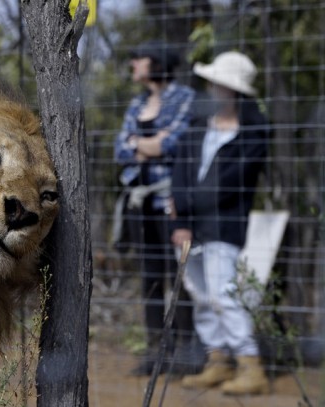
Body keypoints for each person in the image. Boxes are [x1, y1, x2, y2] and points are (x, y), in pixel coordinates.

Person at [170, 51, 270, 395]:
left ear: (234, 90)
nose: (212, 88)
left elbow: (227, 185)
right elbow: (180, 173)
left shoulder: (255, 134)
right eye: (212, 82)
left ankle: (250, 363)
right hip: (186, 226)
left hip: (224, 227)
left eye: (219, 83)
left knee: (223, 295)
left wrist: (183, 208)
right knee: (199, 294)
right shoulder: (196, 128)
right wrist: (181, 219)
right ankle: (218, 361)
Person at [114, 41, 202, 376]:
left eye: (140, 58)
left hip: (173, 205)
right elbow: (119, 149)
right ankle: (156, 351)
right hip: (141, 204)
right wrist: (143, 145)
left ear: (159, 62)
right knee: (150, 276)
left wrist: (140, 144)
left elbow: (175, 142)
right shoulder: (137, 103)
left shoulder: (185, 98)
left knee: (179, 275)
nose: (133, 63)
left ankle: (185, 350)